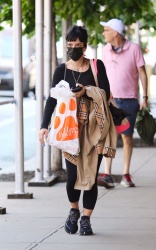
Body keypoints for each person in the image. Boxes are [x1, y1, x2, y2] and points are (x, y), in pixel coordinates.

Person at [38, 25, 116, 235]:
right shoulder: (61, 70)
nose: (73, 49)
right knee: (72, 176)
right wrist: (44, 126)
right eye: (69, 45)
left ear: (85, 46)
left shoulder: (96, 66)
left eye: (77, 45)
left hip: (94, 130)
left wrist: (86, 91)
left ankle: (86, 219)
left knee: (90, 175)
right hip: (70, 130)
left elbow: (106, 92)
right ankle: (74, 210)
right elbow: (52, 99)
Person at [97, 18, 148, 189]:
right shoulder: (105, 50)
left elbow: (142, 73)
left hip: (130, 100)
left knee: (127, 138)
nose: (104, 33)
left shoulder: (134, 49)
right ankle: (107, 174)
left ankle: (126, 173)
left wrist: (145, 97)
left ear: (115, 32)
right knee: (109, 137)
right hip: (111, 100)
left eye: (106, 30)